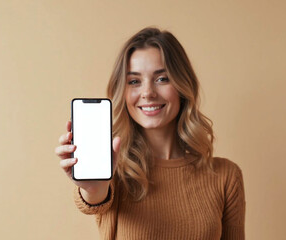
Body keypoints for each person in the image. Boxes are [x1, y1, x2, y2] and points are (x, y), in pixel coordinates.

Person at [55, 27, 245, 240]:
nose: (148, 93)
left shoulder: (225, 176)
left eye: (162, 79)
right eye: (134, 81)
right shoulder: (111, 169)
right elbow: (95, 198)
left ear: (183, 85)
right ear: (123, 92)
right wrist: (93, 188)